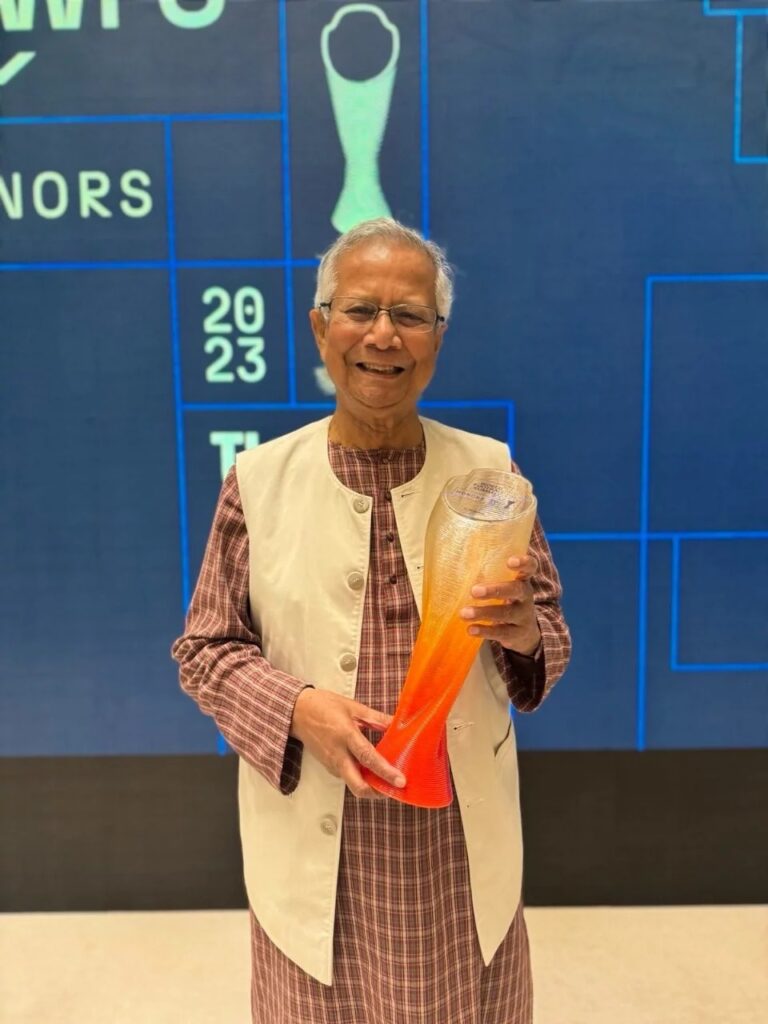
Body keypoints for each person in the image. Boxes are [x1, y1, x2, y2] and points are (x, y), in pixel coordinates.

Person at [172, 218, 571, 1024]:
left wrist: (526, 631)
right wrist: (296, 708)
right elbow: (205, 651)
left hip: (455, 845)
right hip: (319, 842)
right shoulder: (258, 481)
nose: (383, 336)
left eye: (410, 315)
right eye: (360, 310)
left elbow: (550, 635)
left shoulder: (491, 473)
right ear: (320, 327)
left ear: (438, 338)